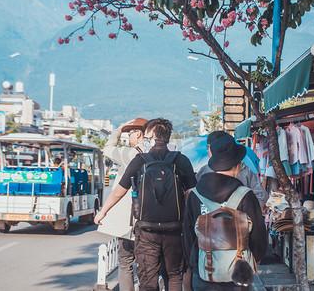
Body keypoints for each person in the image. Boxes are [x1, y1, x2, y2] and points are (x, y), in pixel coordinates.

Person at [95, 118, 197, 291]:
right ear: (168, 136)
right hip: (174, 229)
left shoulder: (140, 159)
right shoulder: (181, 160)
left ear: (149, 134)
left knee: (148, 279)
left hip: (146, 230)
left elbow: (120, 190)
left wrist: (102, 211)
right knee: (173, 276)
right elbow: (192, 193)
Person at [183, 134, 267, 290]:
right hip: (238, 275)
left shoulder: (195, 194)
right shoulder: (246, 196)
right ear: (237, 166)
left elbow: (188, 235)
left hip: (203, 272)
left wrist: (195, 262)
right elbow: (259, 237)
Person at [100, 118, 148, 291]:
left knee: (126, 262)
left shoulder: (131, 154)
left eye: (131, 133)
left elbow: (107, 149)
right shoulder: (160, 154)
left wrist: (118, 130)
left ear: (139, 134)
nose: (129, 137)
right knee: (147, 265)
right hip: (153, 219)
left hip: (131, 221)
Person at [196, 131, 269, 208]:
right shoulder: (204, 171)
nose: (207, 150)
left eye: (209, 147)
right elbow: (262, 196)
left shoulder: (244, 170)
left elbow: (261, 196)